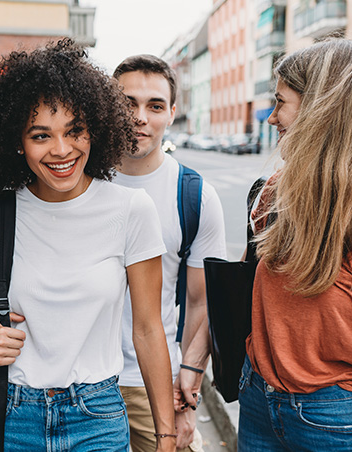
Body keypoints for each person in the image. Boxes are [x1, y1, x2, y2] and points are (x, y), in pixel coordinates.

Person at [0, 39, 176, 451]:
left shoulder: (131, 209)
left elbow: (148, 330)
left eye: (75, 130)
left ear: (95, 127)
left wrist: (166, 434)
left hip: (98, 418)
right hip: (14, 416)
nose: (61, 150)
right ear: (18, 142)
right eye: (41, 135)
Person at [239, 38, 352, 451]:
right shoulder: (275, 191)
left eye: (281, 102)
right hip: (258, 395)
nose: (271, 117)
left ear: (322, 109)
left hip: (335, 415)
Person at [112, 55, 227, 451]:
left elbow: (200, 304)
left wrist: (189, 394)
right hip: (81, 384)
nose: (139, 117)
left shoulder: (194, 195)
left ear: (172, 113)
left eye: (155, 105)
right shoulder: (74, 178)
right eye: (127, 103)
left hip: (154, 384)